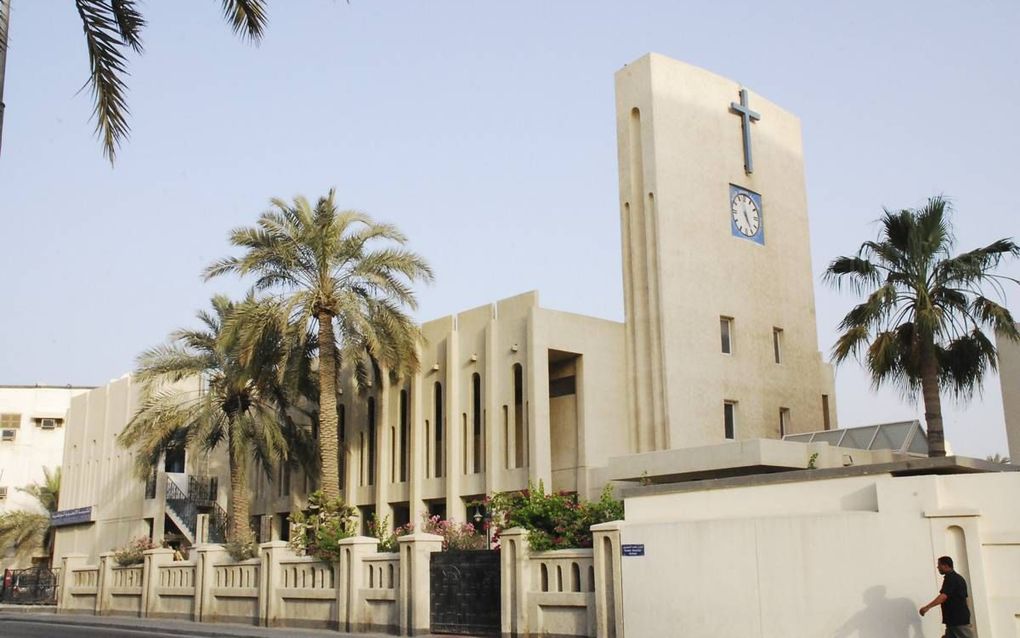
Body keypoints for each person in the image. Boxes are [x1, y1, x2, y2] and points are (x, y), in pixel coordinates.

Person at [919, 556, 974, 638]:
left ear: (946, 565)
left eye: (939, 565)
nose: (938, 567)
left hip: (958, 621)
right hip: (954, 621)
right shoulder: (958, 578)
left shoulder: (951, 578)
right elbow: (965, 599)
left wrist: (927, 607)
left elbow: (944, 596)